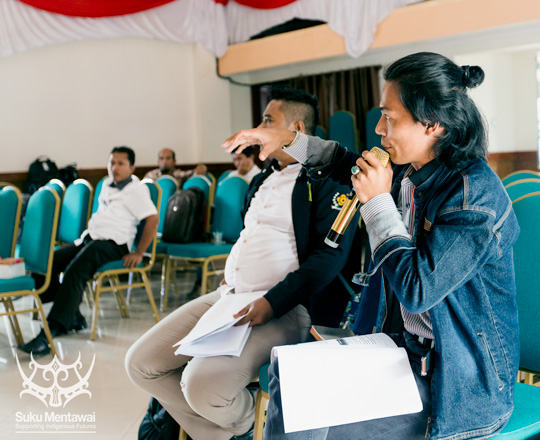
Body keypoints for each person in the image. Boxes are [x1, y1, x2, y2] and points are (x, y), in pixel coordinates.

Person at [223, 52, 520, 440]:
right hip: (404, 351)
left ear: (432, 123)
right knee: (289, 372)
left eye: (390, 117)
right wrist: (287, 140)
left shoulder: (474, 199)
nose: (379, 128)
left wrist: (378, 203)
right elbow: (344, 161)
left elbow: (417, 290)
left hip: (458, 378)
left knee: (317, 418)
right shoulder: (409, 170)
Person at [126, 88, 357, 440]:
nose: (259, 128)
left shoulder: (329, 181)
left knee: (201, 386)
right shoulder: (263, 180)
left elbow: (329, 259)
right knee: (141, 363)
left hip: (286, 307)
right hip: (229, 297)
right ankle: (240, 428)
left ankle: (242, 425)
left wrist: (272, 302)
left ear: (294, 128)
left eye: (268, 120)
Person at [20, 146, 159, 356]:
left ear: (132, 167)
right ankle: (72, 314)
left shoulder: (137, 190)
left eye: (121, 163)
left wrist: (139, 252)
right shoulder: (106, 184)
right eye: (112, 162)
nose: (115, 167)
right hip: (92, 239)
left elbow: (152, 219)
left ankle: (49, 333)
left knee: (75, 271)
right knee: (51, 262)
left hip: (114, 244)